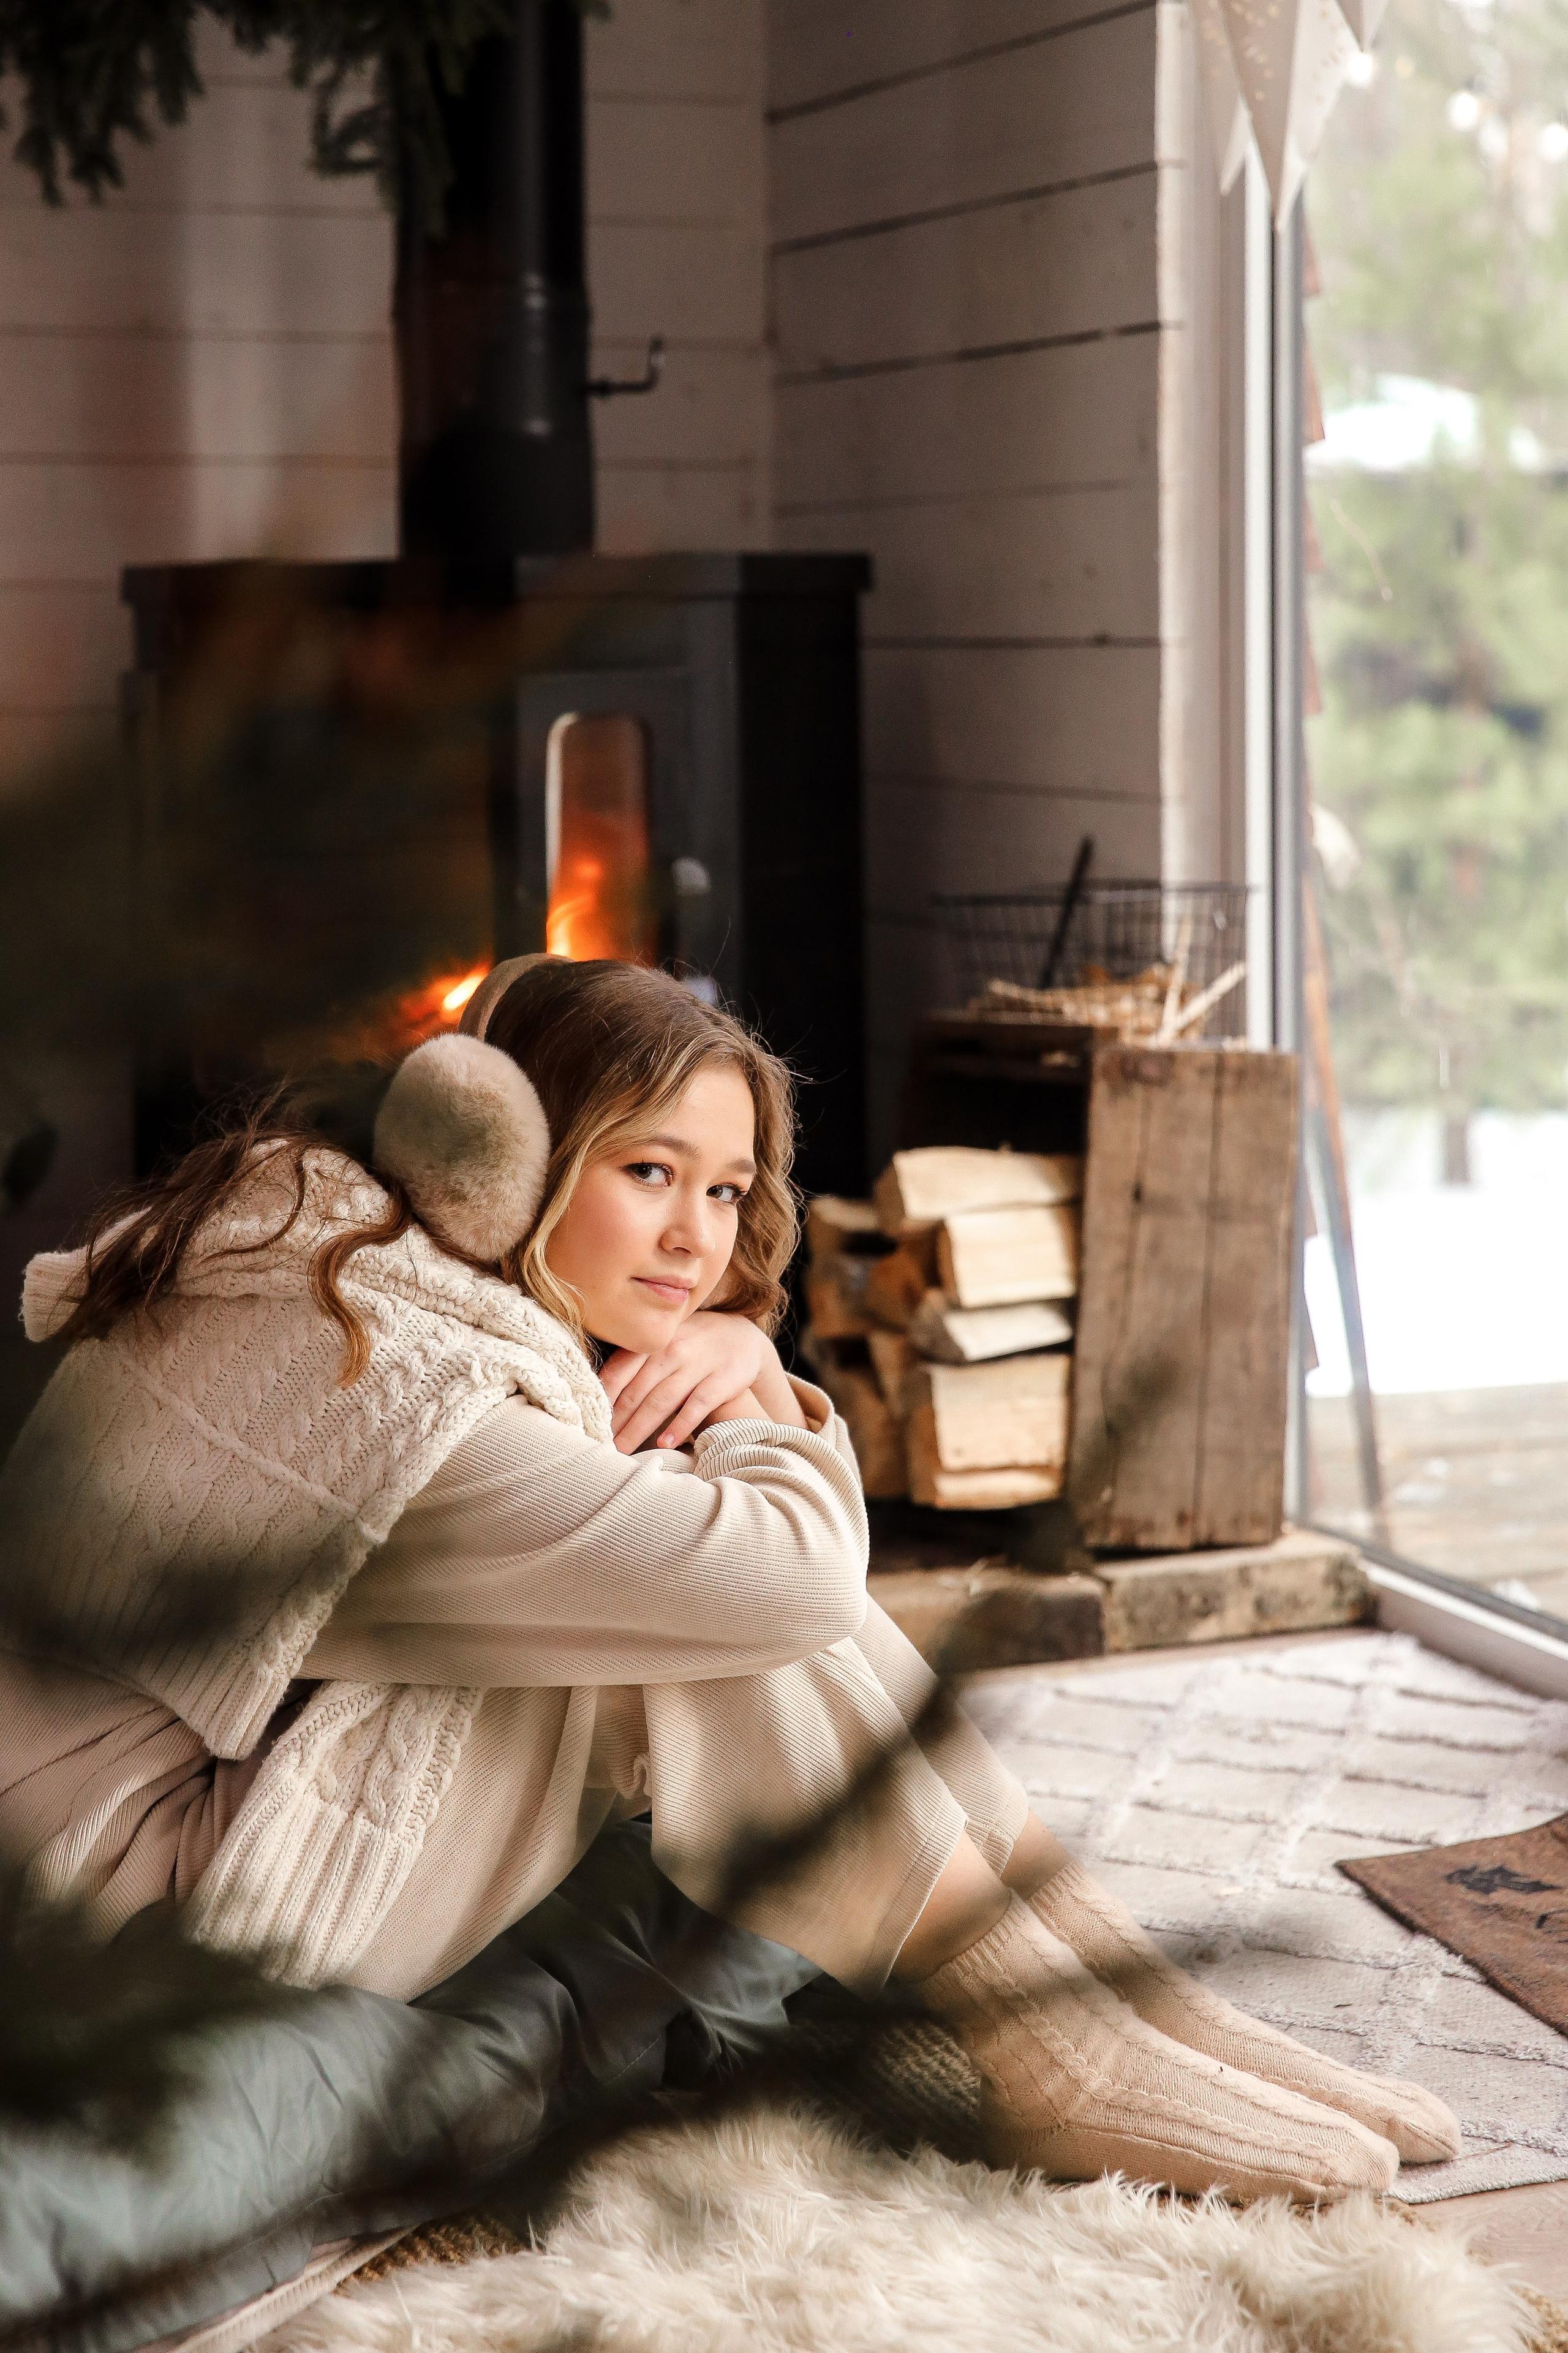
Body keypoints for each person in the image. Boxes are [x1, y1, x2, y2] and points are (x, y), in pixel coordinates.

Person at [0, 955, 1458, 2202]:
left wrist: (746, 1364)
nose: (695, 1239)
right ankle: (1053, 2046)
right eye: (646, 1172)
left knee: (711, 1572)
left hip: (176, 1829)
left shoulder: (343, 1273)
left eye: (725, 1188)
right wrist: (762, 1390)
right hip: (159, 1912)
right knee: (723, 1605)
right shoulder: (395, 1401)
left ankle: (1112, 1996)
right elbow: (790, 1588)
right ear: (501, 1163)